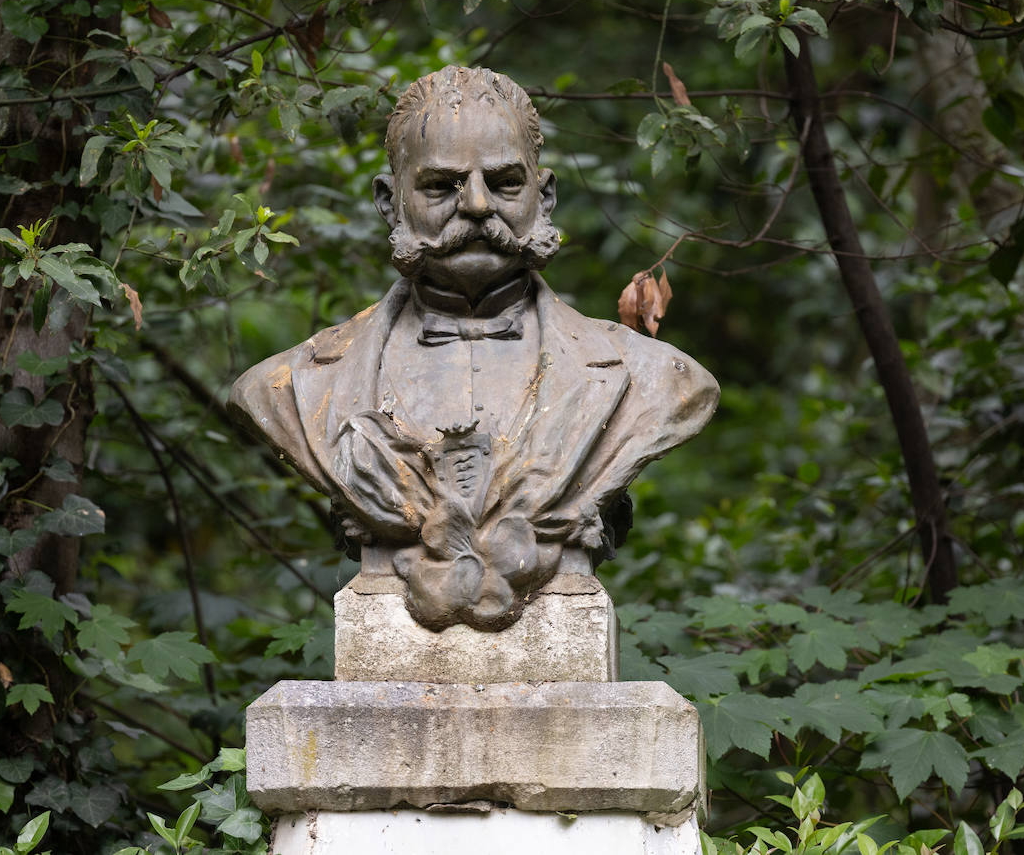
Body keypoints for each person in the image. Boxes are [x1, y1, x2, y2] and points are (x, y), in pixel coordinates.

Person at [229, 66, 718, 631]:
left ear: (545, 194)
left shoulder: (654, 379)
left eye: (506, 181)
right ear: (391, 202)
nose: (480, 206)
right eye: (441, 185)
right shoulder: (295, 387)